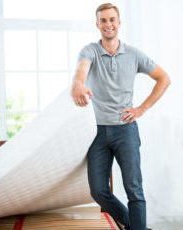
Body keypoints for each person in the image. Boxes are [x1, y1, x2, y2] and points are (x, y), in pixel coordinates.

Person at [71, 3, 171, 230]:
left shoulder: (133, 54)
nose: (108, 24)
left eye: (112, 19)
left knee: (134, 188)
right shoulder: (90, 51)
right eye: (104, 21)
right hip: (97, 131)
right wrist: (77, 84)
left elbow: (164, 78)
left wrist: (141, 109)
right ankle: (135, 226)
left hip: (126, 130)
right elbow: (81, 71)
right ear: (97, 24)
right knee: (98, 190)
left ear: (119, 22)